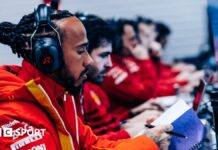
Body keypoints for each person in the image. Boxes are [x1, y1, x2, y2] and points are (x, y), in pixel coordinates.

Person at [0, 4, 170, 149]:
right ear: (49, 58)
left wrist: (146, 139)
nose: (89, 62)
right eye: (81, 51)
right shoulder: (12, 115)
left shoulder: (57, 97)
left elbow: (90, 145)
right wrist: (147, 144)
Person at [75, 14, 164, 141]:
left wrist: (130, 116)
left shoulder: (92, 86)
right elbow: (88, 142)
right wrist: (128, 132)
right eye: (103, 56)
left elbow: (105, 125)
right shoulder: (74, 92)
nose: (109, 64)